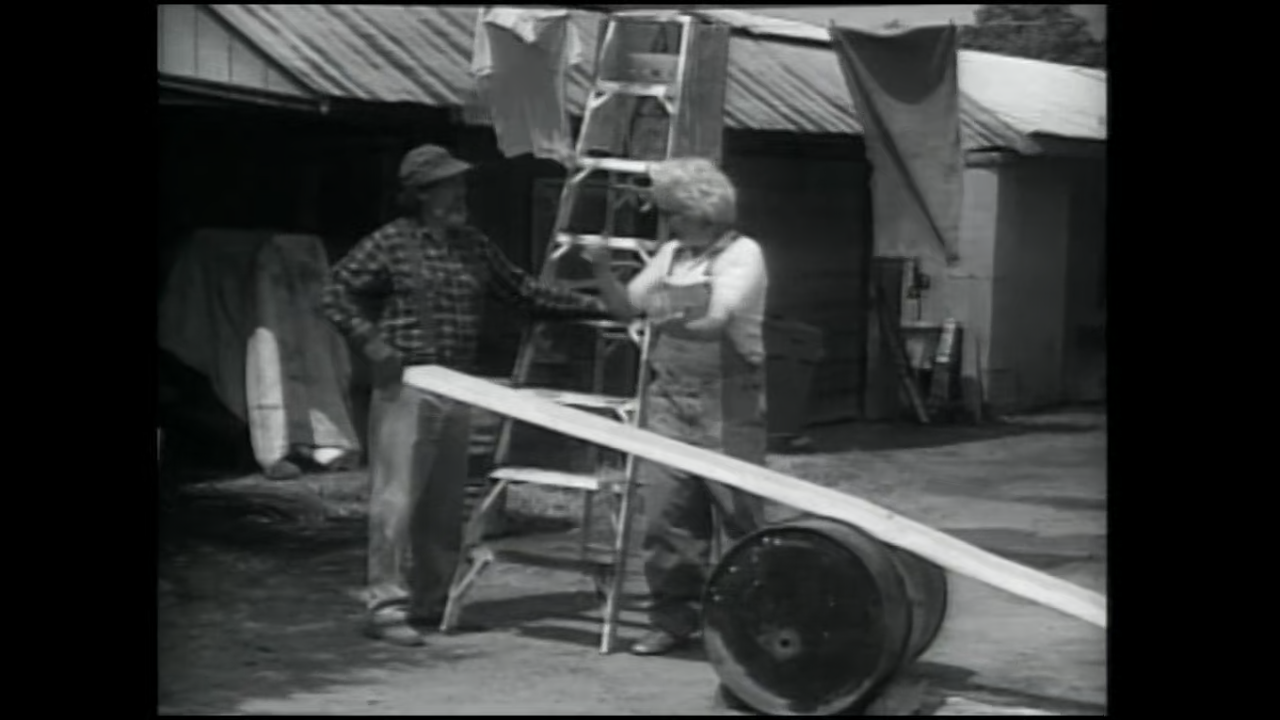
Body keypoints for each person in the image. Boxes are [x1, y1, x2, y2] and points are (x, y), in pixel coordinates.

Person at [322, 144, 613, 647]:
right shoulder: (391, 243)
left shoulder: (472, 245)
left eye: (460, 185)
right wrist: (371, 343)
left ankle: (432, 602)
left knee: (444, 503)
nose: (461, 194)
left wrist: (602, 307)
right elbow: (334, 291)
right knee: (396, 501)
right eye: (449, 187)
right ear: (422, 195)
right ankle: (385, 606)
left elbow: (524, 292)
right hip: (409, 384)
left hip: (457, 385)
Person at [585, 157, 771, 656]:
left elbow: (714, 322)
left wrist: (660, 315)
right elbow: (626, 306)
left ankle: (751, 621)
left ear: (702, 212)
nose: (666, 223)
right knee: (667, 519)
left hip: (726, 401)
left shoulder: (742, 254)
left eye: (673, 213)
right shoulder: (671, 255)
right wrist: (601, 270)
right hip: (668, 399)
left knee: (739, 516)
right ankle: (673, 618)